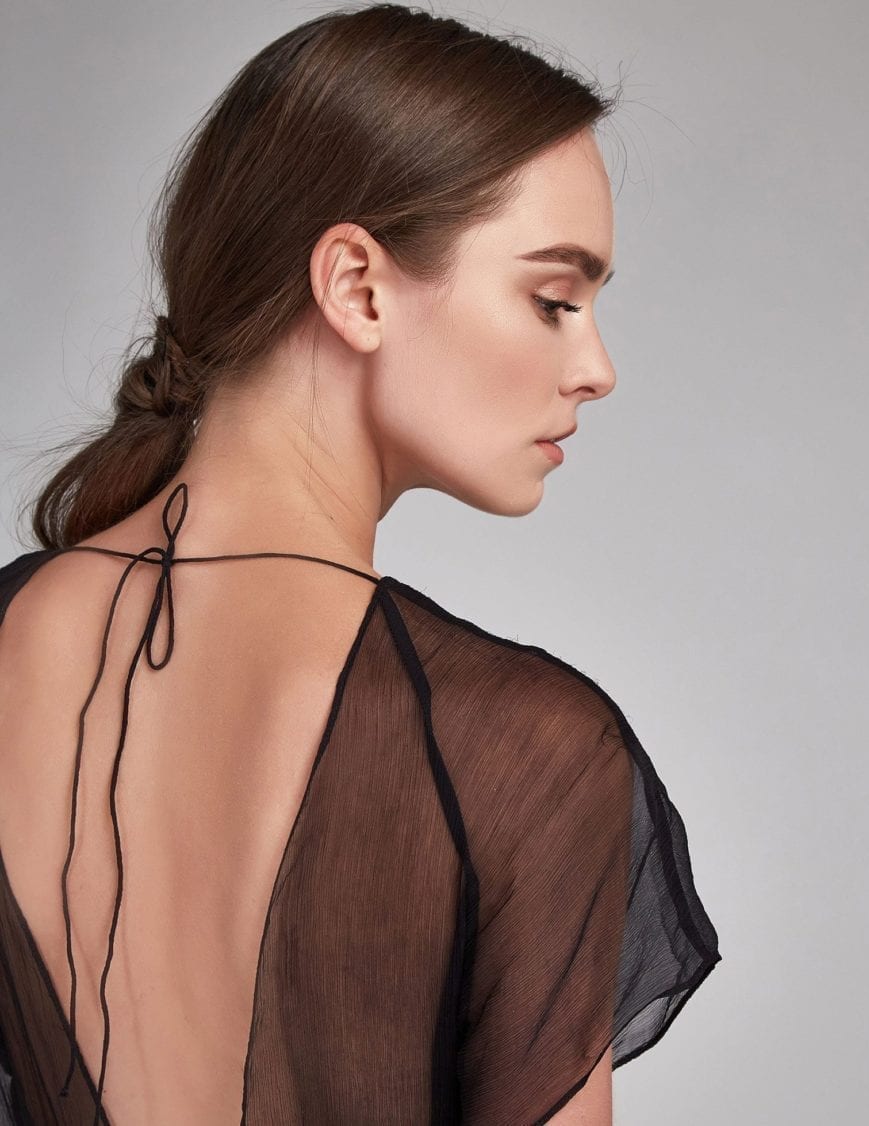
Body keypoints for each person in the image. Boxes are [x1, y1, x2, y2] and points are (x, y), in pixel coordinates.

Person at [0, 3, 721, 1123]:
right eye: (553, 300)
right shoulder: (518, 747)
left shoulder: (16, 636)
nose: (596, 367)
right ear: (356, 286)